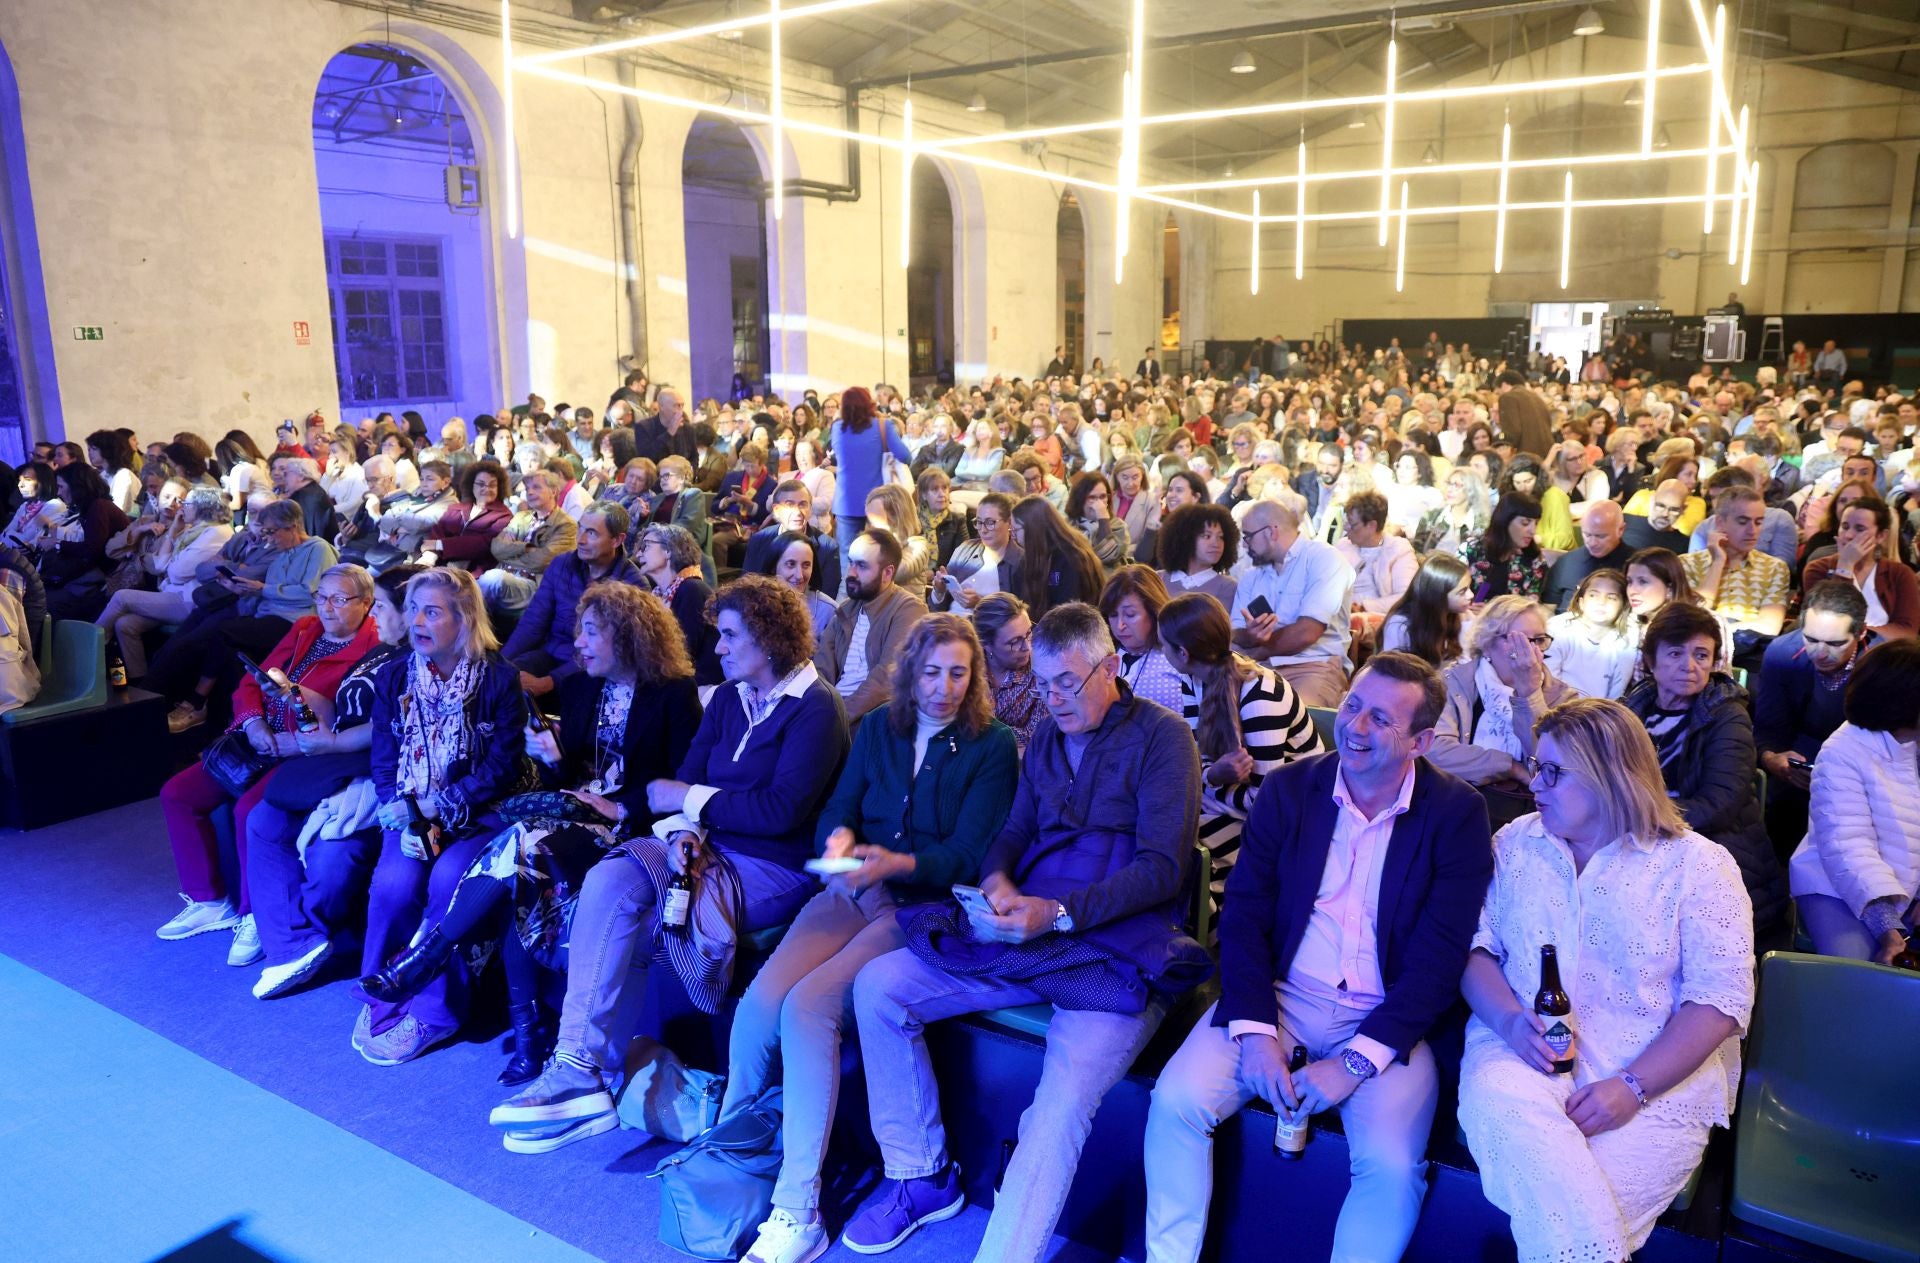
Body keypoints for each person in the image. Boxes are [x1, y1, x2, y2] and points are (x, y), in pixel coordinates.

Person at [844, 602, 1205, 1261]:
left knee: (1059, 1105)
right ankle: (918, 1171)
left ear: (1111, 666)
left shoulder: (1162, 736)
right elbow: (1012, 832)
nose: (1054, 698)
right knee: (879, 985)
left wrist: (1059, 913)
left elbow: (1163, 868)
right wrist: (998, 882)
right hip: (1025, 930)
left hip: (1117, 948)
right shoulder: (1044, 736)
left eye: (1068, 681)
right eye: (1042, 683)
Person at [1144, 652, 1494, 1263]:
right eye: (1353, 705)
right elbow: (1246, 915)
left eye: (1380, 720)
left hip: (1388, 1020)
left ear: (1421, 741)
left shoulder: (1457, 815)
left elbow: (1440, 961)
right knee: (1175, 1102)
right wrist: (1255, 1033)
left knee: (1390, 1167)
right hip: (1283, 995)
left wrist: (1354, 1064)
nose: (1355, 728)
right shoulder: (1290, 790)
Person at [488, 575, 848, 1149]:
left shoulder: (816, 707)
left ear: (770, 639)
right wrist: (682, 828)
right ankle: (578, 1067)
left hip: (773, 866)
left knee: (636, 912)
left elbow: (779, 812)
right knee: (610, 875)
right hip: (707, 846)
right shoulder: (730, 696)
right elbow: (689, 781)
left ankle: (594, 1078)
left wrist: (685, 805)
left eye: (729, 636)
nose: (720, 648)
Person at [729, 615, 1020, 1263]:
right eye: (932, 671)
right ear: (910, 672)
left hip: (919, 903)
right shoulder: (881, 726)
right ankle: (734, 1158)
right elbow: (839, 808)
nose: (944, 686)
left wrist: (891, 865)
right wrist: (837, 839)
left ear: (973, 678)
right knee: (759, 1006)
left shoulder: (992, 744)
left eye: (958, 672)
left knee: (809, 1006)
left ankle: (797, 1208)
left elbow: (968, 854)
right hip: (852, 888)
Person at [360, 582, 703, 1085]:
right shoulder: (585, 686)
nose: (577, 646)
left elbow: (680, 780)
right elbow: (571, 778)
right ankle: (526, 1031)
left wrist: (618, 804)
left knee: (519, 856)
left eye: (589, 633)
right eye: (578, 632)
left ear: (627, 637)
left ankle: (439, 966)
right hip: (571, 815)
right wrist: (554, 759)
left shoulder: (672, 695)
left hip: (631, 826)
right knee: (523, 869)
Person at [1459, 698, 1754, 1263]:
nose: (1534, 783)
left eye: (1554, 772)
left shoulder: (1699, 865)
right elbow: (1475, 951)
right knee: (1546, 1175)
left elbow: (1719, 1003)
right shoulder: (1516, 843)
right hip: (1521, 1052)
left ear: (1609, 776)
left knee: (1583, 1214)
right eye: (1534, 765)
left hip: (1655, 1074)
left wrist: (1632, 1088)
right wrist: (1508, 1021)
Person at [154, 564, 381, 965]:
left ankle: (253, 913)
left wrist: (299, 743)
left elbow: (351, 722)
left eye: (339, 599)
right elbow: (250, 684)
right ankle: (209, 900)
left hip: (305, 751)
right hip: (258, 739)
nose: (327, 607)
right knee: (177, 794)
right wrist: (253, 721)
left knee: (248, 811)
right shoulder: (305, 629)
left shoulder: (372, 652)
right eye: (321, 596)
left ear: (367, 604)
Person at [354, 567, 531, 1067]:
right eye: (412, 609)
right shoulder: (393, 675)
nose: (416, 621)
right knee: (393, 886)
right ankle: (382, 991)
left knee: (451, 882)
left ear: (464, 617)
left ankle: (434, 1012)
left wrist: (441, 807)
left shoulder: (499, 678)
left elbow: (501, 768)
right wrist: (405, 816)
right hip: (412, 812)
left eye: (432, 611)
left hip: (479, 812)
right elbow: (385, 759)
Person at [243, 564, 421, 999]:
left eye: (378, 605)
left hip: (367, 765)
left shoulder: (411, 657)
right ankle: (291, 941)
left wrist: (335, 743)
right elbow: (347, 707)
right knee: (262, 817)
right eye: (321, 597)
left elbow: (388, 725)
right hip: (340, 752)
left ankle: (295, 936)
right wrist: (295, 696)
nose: (373, 615)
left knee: (330, 858)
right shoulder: (382, 653)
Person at [1622, 603, 1786, 932]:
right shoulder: (1632, 708)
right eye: (1675, 654)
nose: (1689, 666)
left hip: (1716, 846)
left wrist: (1639, 820)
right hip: (1642, 838)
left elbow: (1719, 803)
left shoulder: (1727, 712)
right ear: (1650, 661)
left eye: (1701, 655)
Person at [1158, 591, 1323, 899]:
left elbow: (1266, 802)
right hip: (1238, 803)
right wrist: (1212, 778)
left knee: (1181, 842)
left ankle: (1207, 930)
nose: (1161, 651)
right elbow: (1201, 764)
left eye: (1163, 645)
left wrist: (1206, 786)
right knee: (1161, 824)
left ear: (1182, 652)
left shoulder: (1260, 695)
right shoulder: (1193, 679)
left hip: (1294, 814)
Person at [149, 500, 338, 733]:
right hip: (267, 616)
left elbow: (311, 593)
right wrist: (246, 591)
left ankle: (196, 703)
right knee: (228, 652)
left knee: (222, 632)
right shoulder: (282, 555)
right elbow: (269, 592)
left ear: (292, 526)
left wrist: (261, 589)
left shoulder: (318, 549)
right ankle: (230, 723)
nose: (268, 539)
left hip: (296, 622)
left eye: (271, 532)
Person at [1788, 638, 1920, 963]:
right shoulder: (1842, 752)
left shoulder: (1913, 742)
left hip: (1906, 886)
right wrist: (1889, 930)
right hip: (1837, 889)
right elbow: (1849, 851)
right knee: (1858, 974)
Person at [1429, 596, 1582, 826]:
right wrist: (1509, 767)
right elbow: (1435, 751)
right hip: (1453, 805)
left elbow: (1551, 768)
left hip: (1531, 816)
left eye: (1539, 640)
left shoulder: (1563, 697)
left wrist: (1529, 692)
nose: (1531, 650)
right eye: (1518, 639)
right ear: (1487, 643)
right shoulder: (1455, 682)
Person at [1754, 580, 1869, 851]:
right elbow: (1768, 729)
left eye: (1835, 643)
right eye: (1811, 639)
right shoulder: (1783, 653)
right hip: (1798, 769)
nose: (1820, 652)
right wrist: (1772, 759)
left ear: (1862, 633)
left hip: (1862, 772)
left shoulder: (1882, 661)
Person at [502, 502, 642, 698]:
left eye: (592, 533)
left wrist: (550, 681)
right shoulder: (562, 564)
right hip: (550, 653)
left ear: (617, 540)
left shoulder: (632, 585)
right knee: (503, 679)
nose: (580, 539)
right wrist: (500, 663)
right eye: (580, 528)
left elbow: (612, 653)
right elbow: (533, 622)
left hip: (595, 671)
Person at [94, 487, 232, 683]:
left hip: (189, 601)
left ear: (203, 508)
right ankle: (140, 683)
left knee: (121, 596)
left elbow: (177, 573)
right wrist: (173, 531)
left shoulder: (217, 533)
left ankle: (91, 646)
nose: (182, 507)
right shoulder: (194, 530)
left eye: (187, 503)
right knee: (125, 624)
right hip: (172, 594)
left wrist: (170, 565)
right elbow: (160, 566)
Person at [1230, 494, 1356, 708]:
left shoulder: (1324, 559)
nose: (1244, 544)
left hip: (1313, 665)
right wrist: (1250, 636)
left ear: (1271, 532)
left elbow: (1307, 632)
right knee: (1219, 709)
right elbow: (1236, 632)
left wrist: (1259, 649)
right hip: (1257, 667)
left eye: (1248, 536)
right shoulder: (1252, 575)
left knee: (1293, 716)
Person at [814, 529, 929, 725]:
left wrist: (836, 721)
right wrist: (814, 709)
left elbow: (886, 678)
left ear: (887, 573)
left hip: (872, 721)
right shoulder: (846, 609)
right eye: (850, 562)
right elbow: (821, 669)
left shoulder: (909, 609)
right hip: (831, 713)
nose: (851, 573)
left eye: (862, 566)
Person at [1682, 487, 1788, 663]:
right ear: (1720, 522)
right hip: (1696, 657)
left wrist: (1715, 628)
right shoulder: (1687, 564)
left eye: (1759, 522)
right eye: (1742, 521)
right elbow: (1689, 621)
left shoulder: (1775, 567)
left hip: (1750, 659)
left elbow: (1770, 627)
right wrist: (1717, 562)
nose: (1752, 531)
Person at [827, 387, 914, 594]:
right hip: (876, 505)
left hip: (846, 504)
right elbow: (905, 456)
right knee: (878, 560)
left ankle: (845, 613)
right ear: (870, 403)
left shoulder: (837, 428)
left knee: (848, 567)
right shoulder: (883, 425)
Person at [1801, 494, 1920, 640]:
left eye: (1860, 528)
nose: (1849, 535)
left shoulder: (1900, 574)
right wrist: (1845, 566)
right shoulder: (1817, 569)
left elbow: (1907, 631)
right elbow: (1829, 625)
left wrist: (1857, 634)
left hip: (1885, 654)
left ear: (1881, 536)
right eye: (1845, 527)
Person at [1095, 565, 1185, 713]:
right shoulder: (1099, 658)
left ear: (1153, 611)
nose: (1120, 625)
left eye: (1130, 614)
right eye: (1113, 615)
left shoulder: (1177, 661)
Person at [636, 522, 718, 684]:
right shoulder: (659, 594)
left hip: (698, 683)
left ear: (668, 550)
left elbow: (683, 652)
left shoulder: (692, 589)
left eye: (645, 546)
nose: (638, 553)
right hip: (675, 676)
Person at [1011, 493, 1107, 618]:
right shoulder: (1034, 556)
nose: (1012, 536)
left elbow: (1068, 613)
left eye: (1015, 530)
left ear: (1033, 529)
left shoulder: (1071, 558)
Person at [742, 479, 842, 598]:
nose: (797, 512)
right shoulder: (759, 540)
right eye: (790, 504)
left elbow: (826, 597)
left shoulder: (828, 547)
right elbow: (747, 587)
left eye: (803, 504)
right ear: (776, 510)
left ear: (810, 509)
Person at [1545, 569, 1636, 700]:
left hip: (1598, 714)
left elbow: (1616, 693)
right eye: (1593, 595)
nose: (1601, 602)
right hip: (1557, 708)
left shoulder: (1626, 641)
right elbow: (1550, 682)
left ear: (1623, 606)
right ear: (1581, 602)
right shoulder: (1558, 628)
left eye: (1611, 597)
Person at [1335, 489, 1417, 628]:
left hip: (1382, 621)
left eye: (1353, 524)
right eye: (1346, 522)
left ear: (1372, 526)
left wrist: (1361, 607)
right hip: (1341, 615)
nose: (1346, 528)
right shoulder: (1343, 546)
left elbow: (1406, 597)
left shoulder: (1398, 549)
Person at [975, 591, 1043, 753]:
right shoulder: (967, 670)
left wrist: (982, 731)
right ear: (986, 644)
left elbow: (1037, 736)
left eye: (1028, 634)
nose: (1027, 647)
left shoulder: (1041, 669)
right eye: (1014, 642)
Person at [930, 492, 1021, 614]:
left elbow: (1023, 615)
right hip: (950, 623)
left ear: (1009, 523)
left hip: (986, 629)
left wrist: (980, 604)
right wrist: (939, 591)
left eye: (990, 522)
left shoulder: (1021, 561)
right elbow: (936, 607)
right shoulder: (965, 549)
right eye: (978, 522)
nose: (983, 530)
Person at [1380, 552, 1472, 665]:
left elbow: (1467, 659)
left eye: (1469, 588)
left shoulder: (1461, 615)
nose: (1471, 595)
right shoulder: (1400, 625)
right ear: (1438, 595)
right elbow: (1396, 671)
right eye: (1462, 592)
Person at [1542, 500, 1632, 613]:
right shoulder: (1565, 562)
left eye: (1601, 536)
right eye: (1587, 534)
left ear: (1621, 530)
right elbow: (1547, 608)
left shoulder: (1636, 565)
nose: (1592, 542)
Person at [1461, 493, 1547, 604]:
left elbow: (1530, 607)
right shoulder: (1470, 550)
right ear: (1505, 520)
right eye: (1525, 523)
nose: (1533, 531)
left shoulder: (1535, 562)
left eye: (1536, 523)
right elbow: (1452, 593)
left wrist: (1492, 613)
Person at [755, 529, 838, 637]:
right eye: (791, 564)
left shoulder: (829, 613)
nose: (799, 575)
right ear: (773, 567)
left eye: (806, 565)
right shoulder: (754, 605)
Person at [1156, 502, 1240, 609]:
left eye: (1221, 537)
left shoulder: (1228, 587)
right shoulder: (1158, 579)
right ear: (1186, 539)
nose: (1216, 544)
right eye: (1207, 536)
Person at [863, 483, 934, 603]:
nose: (870, 526)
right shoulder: (868, 545)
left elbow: (897, 571)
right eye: (869, 519)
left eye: (876, 518)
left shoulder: (918, 545)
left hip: (906, 616)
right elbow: (848, 582)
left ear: (897, 518)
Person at [1065, 470, 1132, 569]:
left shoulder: (1119, 527)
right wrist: (1054, 583)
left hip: (1105, 581)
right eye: (1092, 497)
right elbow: (1055, 564)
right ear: (1080, 499)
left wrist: (1103, 518)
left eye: (1103, 496)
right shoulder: (1066, 525)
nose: (1099, 503)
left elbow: (1109, 556)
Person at [1620, 478, 1693, 554]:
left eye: (1673, 510)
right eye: (1660, 506)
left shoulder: (1685, 544)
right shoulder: (1624, 521)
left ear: (1683, 509)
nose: (1665, 514)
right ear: (1652, 500)